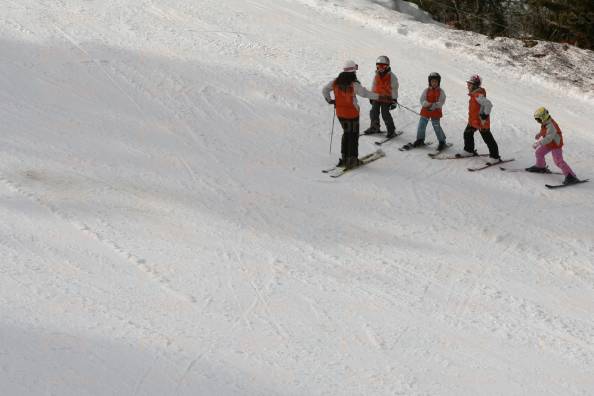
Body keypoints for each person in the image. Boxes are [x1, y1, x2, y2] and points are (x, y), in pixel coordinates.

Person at [322, 60, 391, 168]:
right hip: (352, 115)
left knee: (346, 134)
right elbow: (365, 93)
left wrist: (330, 100)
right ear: (353, 71)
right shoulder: (354, 84)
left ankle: (345, 158)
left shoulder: (335, 81)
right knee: (353, 137)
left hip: (340, 114)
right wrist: (381, 97)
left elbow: (325, 90)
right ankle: (352, 160)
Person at [526, 107, 578, 184]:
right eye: (537, 120)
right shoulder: (545, 123)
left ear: (543, 117)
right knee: (539, 153)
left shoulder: (551, 125)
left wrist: (539, 143)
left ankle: (571, 176)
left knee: (558, 161)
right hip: (549, 143)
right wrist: (540, 134)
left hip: (555, 145)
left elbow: (549, 137)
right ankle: (540, 166)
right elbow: (545, 131)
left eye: (539, 119)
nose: (538, 121)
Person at [459, 74, 500, 160]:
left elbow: (488, 104)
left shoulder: (478, 95)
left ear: (475, 85)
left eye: (469, 85)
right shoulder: (474, 94)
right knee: (467, 133)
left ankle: (495, 156)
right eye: (468, 84)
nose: (468, 86)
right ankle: (469, 150)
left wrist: (484, 115)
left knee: (487, 139)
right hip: (474, 121)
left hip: (481, 122)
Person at [363, 56, 399, 138]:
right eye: (379, 66)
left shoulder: (392, 76)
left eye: (383, 66)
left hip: (387, 98)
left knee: (385, 113)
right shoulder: (376, 75)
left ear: (388, 66)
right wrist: (372, 96)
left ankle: (391, 130)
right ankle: (374, 127)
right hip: (377, 97)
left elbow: (394, 88)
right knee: (373, 112)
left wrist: (394, 99)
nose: (381, 68)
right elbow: (374, 86)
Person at [413, 72, 447, 151]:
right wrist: (427, 104)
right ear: (430, 82)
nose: (434, 83)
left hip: (435, 112)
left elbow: (441, 102)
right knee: (421, 125)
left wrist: (434, 105)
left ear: (438, 82)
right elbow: (422, 100)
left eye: (436, 82)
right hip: (426, 111)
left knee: (436, 127)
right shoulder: (426, 90)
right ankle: (420, 139)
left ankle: (442, 141)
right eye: (432, 81)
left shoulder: (441, 92)